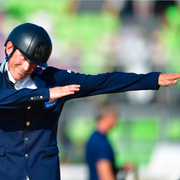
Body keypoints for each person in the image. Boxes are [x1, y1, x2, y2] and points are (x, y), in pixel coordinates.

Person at [0, 23, 180, 180]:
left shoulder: (53, 79)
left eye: (33, 63)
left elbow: (102, 82)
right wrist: (45, 94)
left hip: (45, 173)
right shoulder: (46, 88)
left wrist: (152, 80)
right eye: (24, 58)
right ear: (9, 48)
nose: (26, 68)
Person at [85, 103, 134, 180]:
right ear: (108, 116)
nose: (118, 119)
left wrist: (122, 169)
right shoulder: (101, 142)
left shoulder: (94, 137)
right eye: (116, 115)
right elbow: (105, 176)